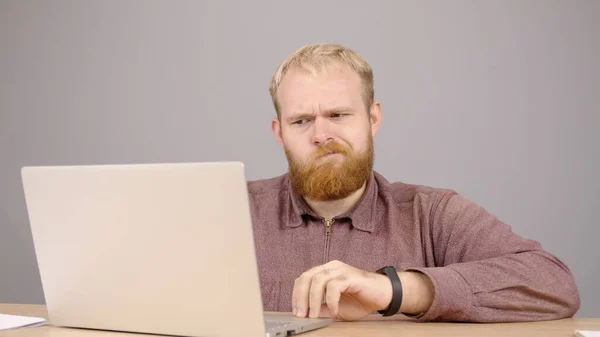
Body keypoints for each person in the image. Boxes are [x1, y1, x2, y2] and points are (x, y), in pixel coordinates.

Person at [247, 43, 580, 322]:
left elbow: (554, 284)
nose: (321, 135)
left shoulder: (430, 213)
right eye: (301, 120)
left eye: (337, 115)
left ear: (373, 118)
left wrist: (393, 289)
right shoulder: (233, 211)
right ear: (280, 133)